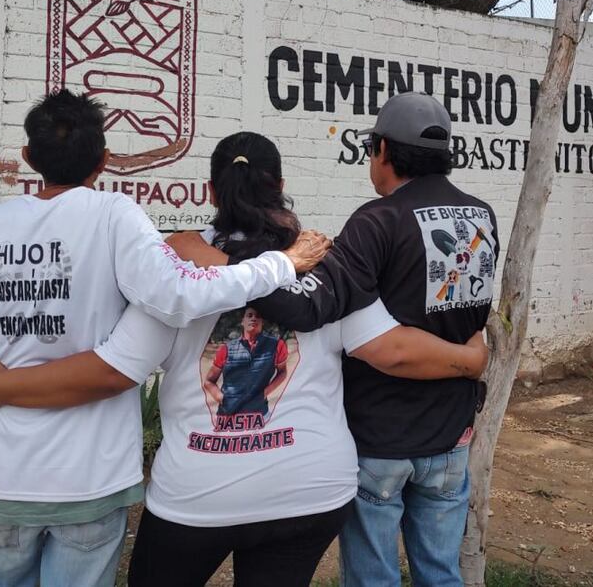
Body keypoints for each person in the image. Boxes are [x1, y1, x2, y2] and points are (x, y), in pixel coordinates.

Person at [0, 131, 489, 587]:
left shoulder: (173, 270)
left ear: (212, 192)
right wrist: (471, 358)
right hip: (309, 494)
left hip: (197, 499)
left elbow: (113, 369)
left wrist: (4, 386)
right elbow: (393, 350)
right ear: (281, 183)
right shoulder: (325, 266)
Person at [0, 92, 329, 587]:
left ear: (29, 158)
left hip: (1, 475)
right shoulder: (114, 216)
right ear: (103, 160)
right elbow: (178, 294)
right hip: (90, 480)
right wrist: (279, 265)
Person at [172, 93, 501, 586]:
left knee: (374, 579)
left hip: (383, 437)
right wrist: (469, 361)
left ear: (383, 150)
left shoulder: (379, 219)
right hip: (453, 435)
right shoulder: (481, 216)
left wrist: (232, 264)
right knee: (441, 574)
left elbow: (309, 307)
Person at [205, 306, 288, 418]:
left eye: (258, 316)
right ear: (242, 321)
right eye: (249, 315)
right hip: (227, 417)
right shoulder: (226, 349)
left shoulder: (276, 345)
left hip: (260, 414)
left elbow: (282, 372)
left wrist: (265, 393)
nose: (253, 318)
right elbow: (209, 381)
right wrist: (221, 397)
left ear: (262, 322)